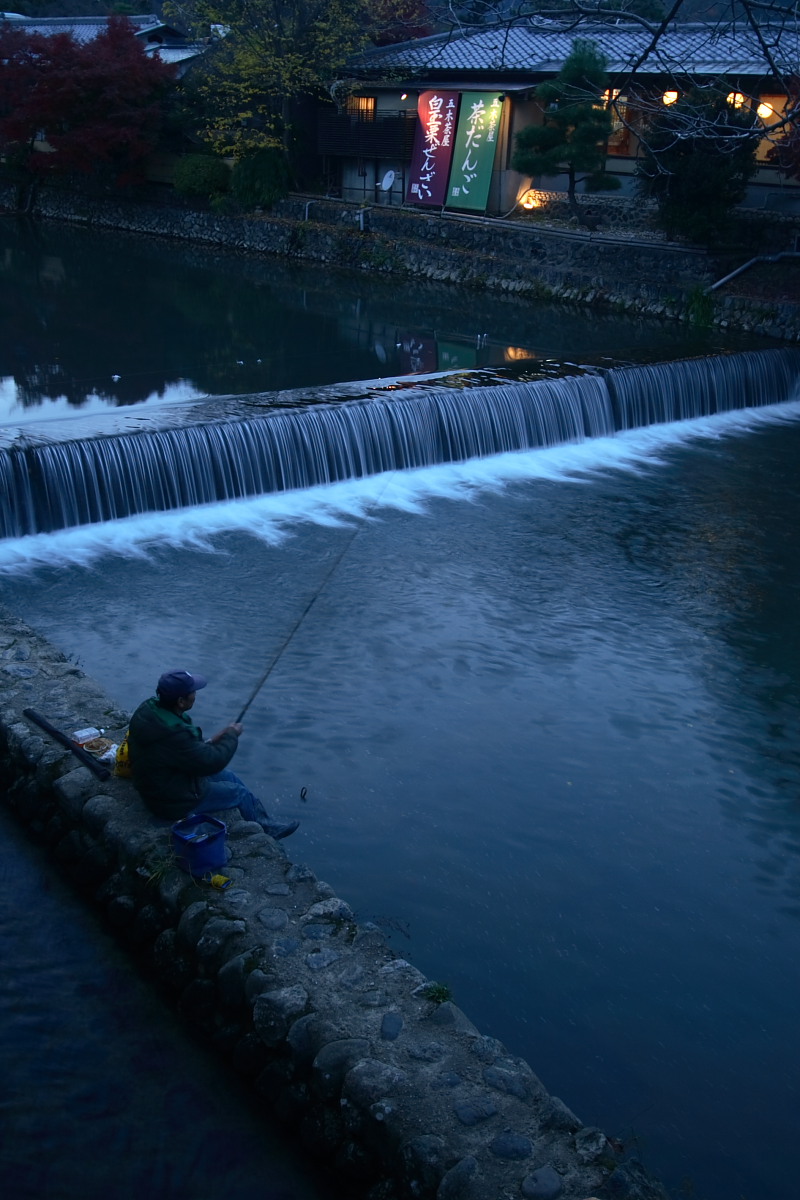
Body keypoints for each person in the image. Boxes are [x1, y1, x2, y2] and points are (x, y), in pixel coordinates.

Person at [127, 669, 299, 840]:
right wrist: (231, 736)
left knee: (230, 777)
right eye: (192, 692)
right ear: (180, 701)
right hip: (169, 801)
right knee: (238, 792)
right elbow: (211, 762)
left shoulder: (149, 710)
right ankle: (267, 831)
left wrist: (212, 741)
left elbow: (180, 752)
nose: (195, 694)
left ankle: (264, 821)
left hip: (166, 780)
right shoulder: (173, 734)